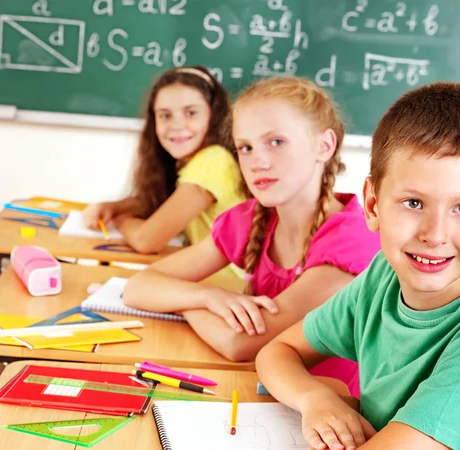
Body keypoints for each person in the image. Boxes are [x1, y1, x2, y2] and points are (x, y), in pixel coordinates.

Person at [256, 82, 460, 450]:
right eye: (413, 203)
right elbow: (277, 352)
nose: (435, 234)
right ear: (373, 204)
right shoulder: (383, 278)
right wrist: (316, 399)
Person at [123, 77, 382, 395]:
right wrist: (209, 297)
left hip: (332, 417)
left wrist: (182, 302)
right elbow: (137, 287)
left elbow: (240, 343)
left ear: (324, 146)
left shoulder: (351, 241)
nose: (257, 162)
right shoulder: (251, 219)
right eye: (245, 147)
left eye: (276, 142)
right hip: (261, 394)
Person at [83, 66, 246, 270]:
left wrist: (121, 219)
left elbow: (146, 241)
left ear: (214, 115)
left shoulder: (213, 161)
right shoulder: (193, 160)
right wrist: (113, 206)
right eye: (165, 115)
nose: (177, 125)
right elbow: (160, 202)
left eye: (191, 113)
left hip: (228, 287)